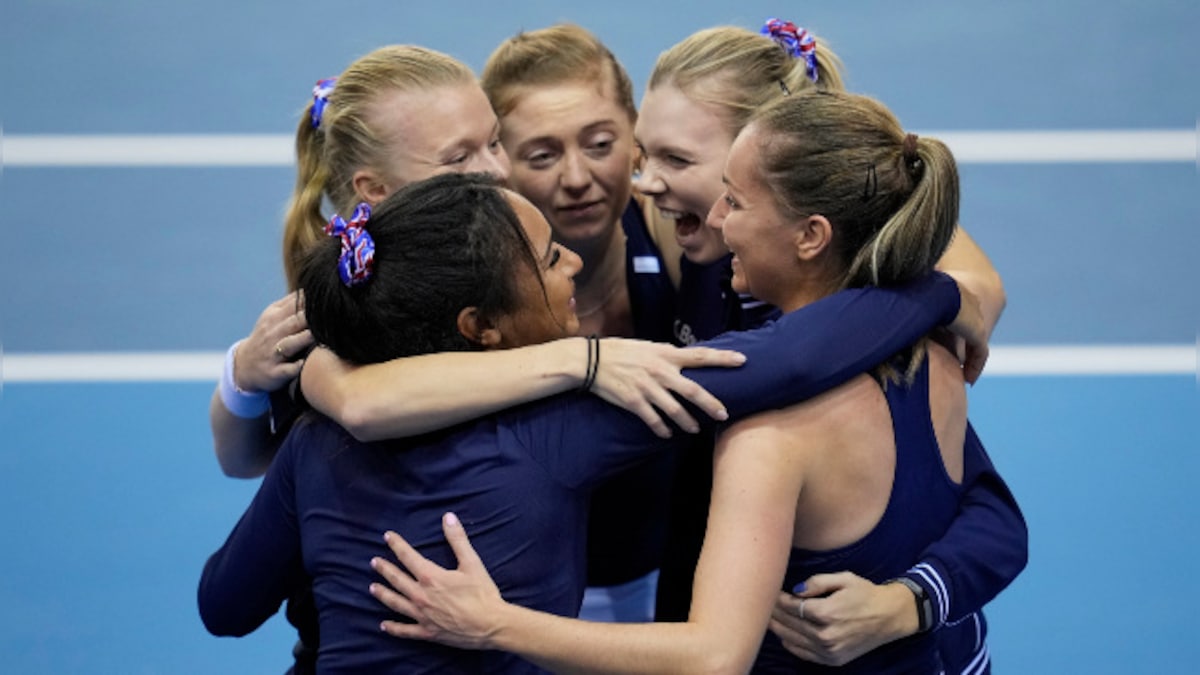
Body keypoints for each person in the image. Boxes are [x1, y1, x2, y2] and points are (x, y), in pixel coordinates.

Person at [198, 172, 976, 673]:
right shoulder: (568, 425)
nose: (573, 260)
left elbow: (223, 605)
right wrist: (942, 292)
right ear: (481, 327)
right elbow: (793, 358)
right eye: (547, 259)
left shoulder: (311, 442)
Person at [367, 90, 1024, 673]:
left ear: (811, 234)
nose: (714, 218)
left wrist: (494, 623)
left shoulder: (769, 431)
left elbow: (713, 656)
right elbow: (992, 515)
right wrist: (933, 294)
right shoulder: (936, 354)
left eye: (732, 199)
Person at [205, 44, 748, 673]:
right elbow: (357, 405)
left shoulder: (582, 223)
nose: (498, 171)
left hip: (629, 583)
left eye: (495, 144)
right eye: (460, 157)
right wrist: (586, 361)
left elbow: (225, 603)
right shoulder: (341, 317)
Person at [631, 20, 1023, 671]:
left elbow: (990, 512)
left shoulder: (885, 321)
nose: (643, 182)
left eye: (675, 160)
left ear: (763, 155)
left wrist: (912, 600)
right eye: (643, 154)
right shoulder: (691, 237)